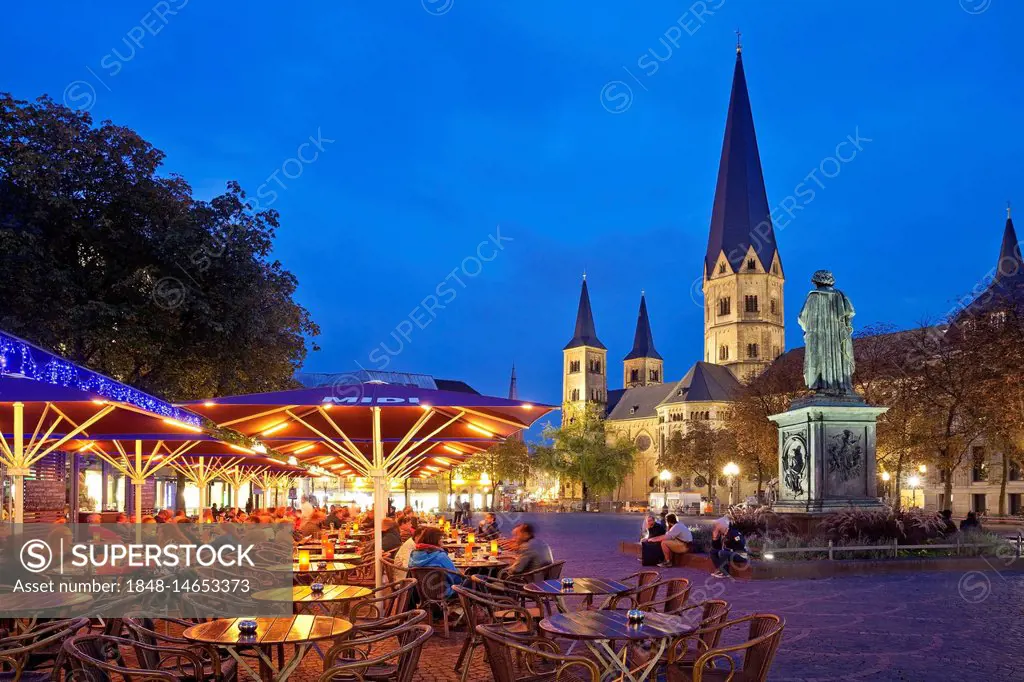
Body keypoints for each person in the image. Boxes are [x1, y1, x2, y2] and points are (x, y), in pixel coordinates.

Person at [408, 526, 462, 597]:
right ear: (436, 540)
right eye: (441, 539)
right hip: (444, 592)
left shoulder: (414, 554)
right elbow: (456, 578)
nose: (442, 541)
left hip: (420, 593)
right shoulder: (440, 556)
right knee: (474, 583)